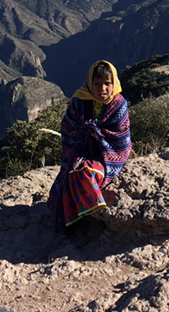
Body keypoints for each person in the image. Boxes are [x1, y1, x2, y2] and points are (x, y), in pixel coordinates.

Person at [46, 60, 131, 229]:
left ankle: (92, 214)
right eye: (97, 84)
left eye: (107, 83)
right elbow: (68, 128)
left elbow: (119, 140)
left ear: (114, 83)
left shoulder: (119, 105)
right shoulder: (79, 102)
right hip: (81, 152)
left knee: (85, 172)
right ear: (90, 83)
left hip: (110, 156)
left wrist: (95, 132)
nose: (103, 89)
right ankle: (73, 222)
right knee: (68, 175)